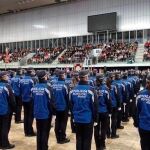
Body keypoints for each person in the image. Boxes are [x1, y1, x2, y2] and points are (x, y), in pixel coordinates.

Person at [69, 70, 98, 150]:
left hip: (77, 119)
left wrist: (73, 117)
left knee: (79, 139)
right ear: (86, 77)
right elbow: (95, 106)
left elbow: (71, 105)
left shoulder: (73, 90)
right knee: (87, 140)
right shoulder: (91, 90)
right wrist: (96, 119)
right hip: (87, 119)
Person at [31, 70, 53, 150]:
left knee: (39, 131)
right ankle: (44, 147)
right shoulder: (48, 88)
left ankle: (39, 147)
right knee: (44, 132)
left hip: (37, 112)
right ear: (45, 77)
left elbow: (32, 100)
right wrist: (52, 113)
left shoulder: (33, 88)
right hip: (45, 113)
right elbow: (51, 102)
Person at [51, 70, 70, 144]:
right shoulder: (65, 85)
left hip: (55, 106)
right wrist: (68, 108)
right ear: (63, 76)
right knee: (63, 123)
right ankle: (62, 138)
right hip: (63, 107)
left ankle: (58, 137)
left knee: (57, 122)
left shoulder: (53, 85)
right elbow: (68, 98)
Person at [94, 73, 112, 150]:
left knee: (96, 129)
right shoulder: (106, 89)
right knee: (104, 129)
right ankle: (102, 145)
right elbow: (109, 102)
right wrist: (110, 112)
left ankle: (97, 146)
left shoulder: (93, 89)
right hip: (104, 112)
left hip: (96, 113)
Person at [0, 71, 16, 149]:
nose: (8, 77)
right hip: (5, 110)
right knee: (5, 128)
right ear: (2, 77)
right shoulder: (7, 86)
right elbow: (12, 100)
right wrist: (14, 109)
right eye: (6, 75)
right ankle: (5, 144)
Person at [20, 68, 37, 136]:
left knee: (26, 115)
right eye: (33, 71)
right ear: (31, 72)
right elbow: (34, 90)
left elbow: (20, 89)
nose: (34, 72)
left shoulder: (21, 80)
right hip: (30, 100)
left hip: (24, 99)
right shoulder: (32, 80)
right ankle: (30, 131)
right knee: (30, 116)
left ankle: (26, 131)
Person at [135, 74, 150, 150]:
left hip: (143, 126)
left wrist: (136, 123)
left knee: (144, 146)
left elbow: (137, 111)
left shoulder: (140, 94)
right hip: (143, 125)